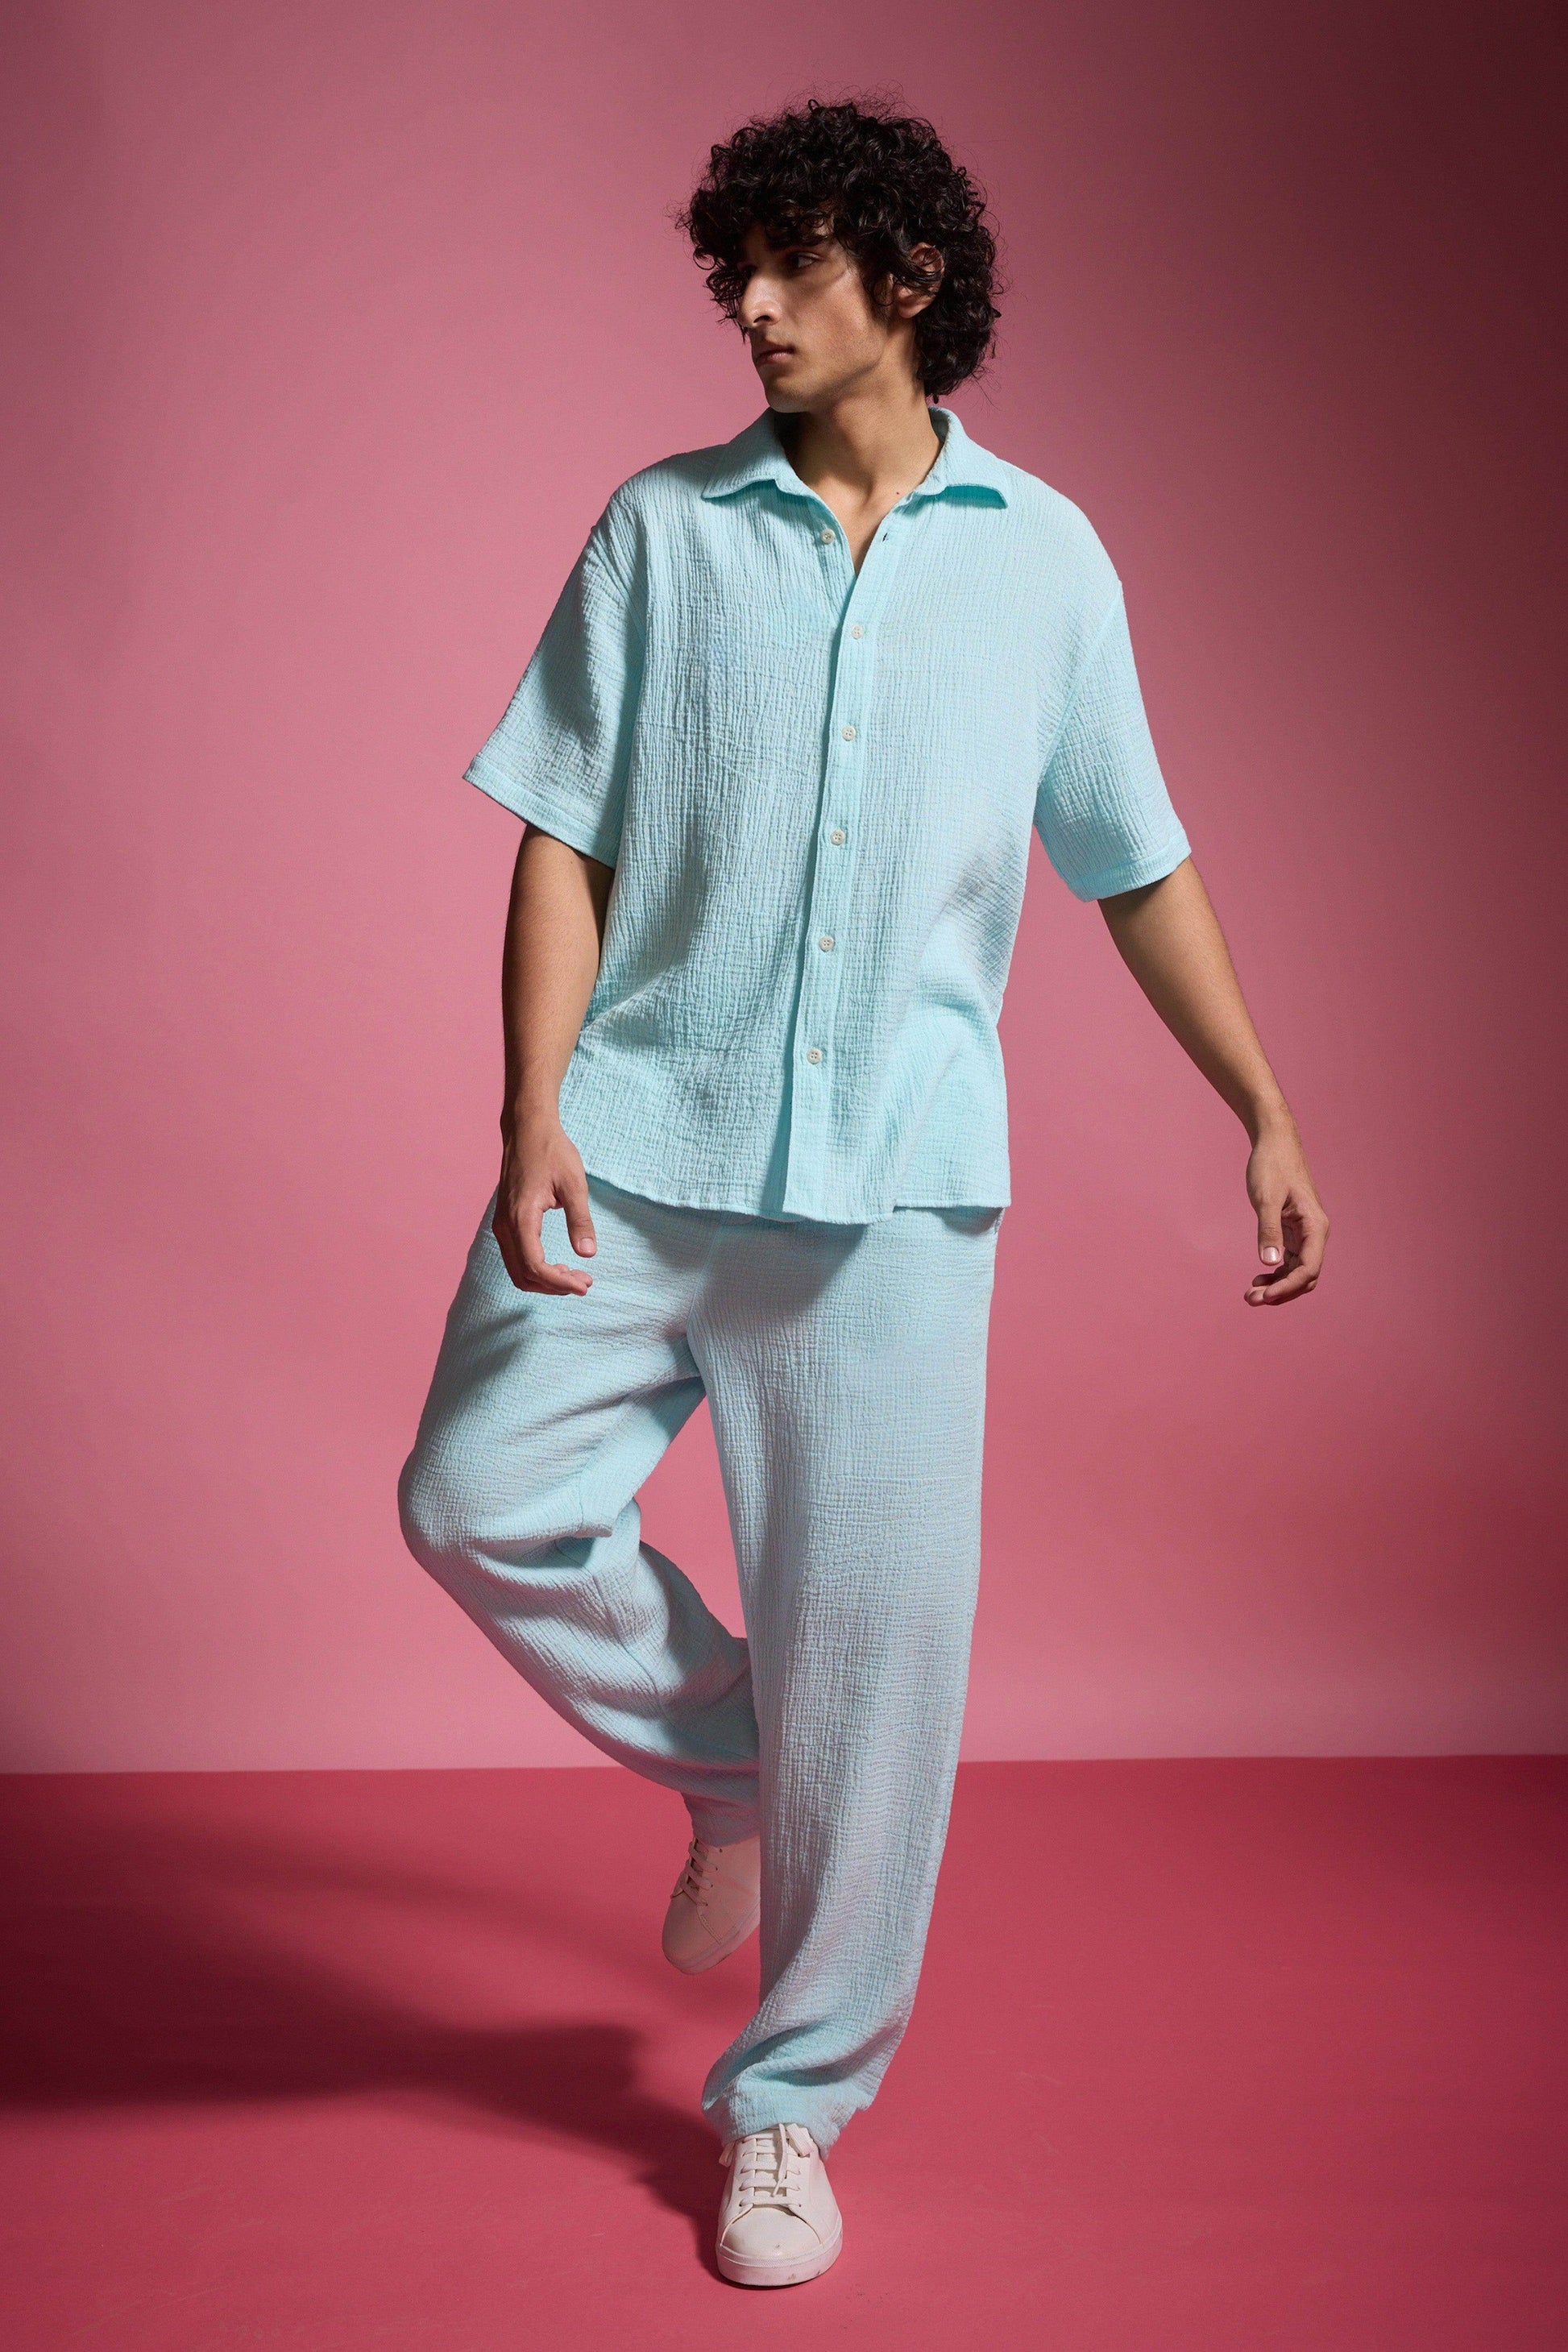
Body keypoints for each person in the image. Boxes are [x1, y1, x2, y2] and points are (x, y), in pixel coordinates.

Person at [397, 95, 1329, 2289]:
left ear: (906, 279)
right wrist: (529, 1111)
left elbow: (1137, 863)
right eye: (730, 266)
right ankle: (739, 1765)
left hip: (898, 1196)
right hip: (641, 1143)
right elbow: (561, 836)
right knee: (472, 1498)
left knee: (878, 1671)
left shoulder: (1049, 562)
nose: (745, 303)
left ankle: (791, 2106)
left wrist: (1263, 1106)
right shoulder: (660, 530)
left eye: (789, 264)